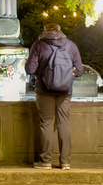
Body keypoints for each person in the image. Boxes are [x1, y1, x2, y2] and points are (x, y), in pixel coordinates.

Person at [25, 22, 85, 171]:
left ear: (45, 32)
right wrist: (67, 76)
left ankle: (45, 161)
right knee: (63, 123)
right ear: (60, 31)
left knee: (47, 123)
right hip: (65, 91)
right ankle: (65, 162)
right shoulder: (71, 45)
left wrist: (44, 72)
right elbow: (80, 71)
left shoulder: (39, 45)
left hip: (44, 91)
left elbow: (30, 69)